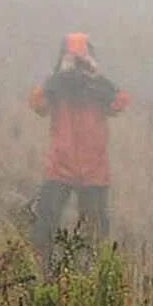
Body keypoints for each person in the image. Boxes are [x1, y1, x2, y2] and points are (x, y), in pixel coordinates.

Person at [29, 32, 129, 269]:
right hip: (59, 168)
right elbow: (37, 104)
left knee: (94, 234)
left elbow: (121, 102)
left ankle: (90, 279)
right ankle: (43, 274)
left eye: (82, 60)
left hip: (94, 170)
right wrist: (58, 76)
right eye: (73, 60)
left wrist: (98, 77)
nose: (77, 67)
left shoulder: (98, 88)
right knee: (45, 227)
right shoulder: (57, 86)